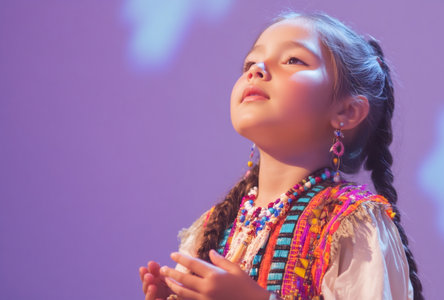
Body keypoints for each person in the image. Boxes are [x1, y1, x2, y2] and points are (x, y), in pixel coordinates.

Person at [138, 11, 424, 300]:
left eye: (293, 60)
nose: (256, 69)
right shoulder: (216, 224)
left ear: (346, 112)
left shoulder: (353, 223)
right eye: (250, 62)